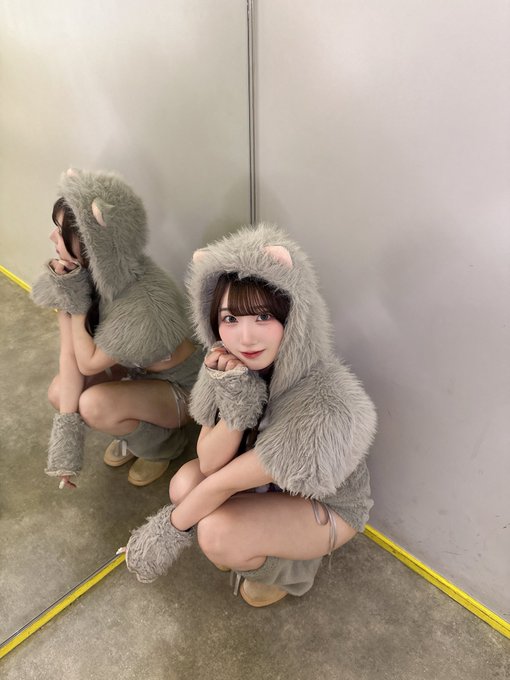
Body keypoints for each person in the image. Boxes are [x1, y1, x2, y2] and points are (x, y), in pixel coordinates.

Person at [124, 224, 377, 606]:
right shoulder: (227, 364)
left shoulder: (325, 400)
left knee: (215, 532)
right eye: (230, 319)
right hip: (266, 488)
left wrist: (167, 531)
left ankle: (294, 571)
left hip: (325, 503)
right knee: (184, 485)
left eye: (262, 317)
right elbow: (210, 463)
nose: (246, 338)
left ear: (293, 315)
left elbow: (219, 484)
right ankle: (252, 540)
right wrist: (236, 396)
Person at [31, 168, 203, 488]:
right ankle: (136, 429)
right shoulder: (80, 275)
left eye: (61, 231)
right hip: (137, 373)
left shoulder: (144, 302)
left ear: (92, 243)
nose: (52, 237)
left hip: (182, 386)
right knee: (60, 391)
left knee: (94, 405)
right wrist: (66, 452)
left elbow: (88, 363)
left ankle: (163, 445)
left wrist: (77, 304)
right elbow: (70, 357)